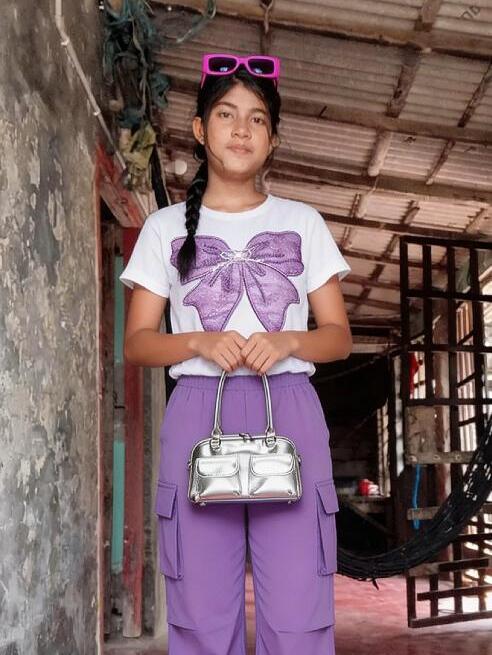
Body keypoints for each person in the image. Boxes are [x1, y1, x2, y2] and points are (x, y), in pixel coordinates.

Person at [120, 52, 353, 655]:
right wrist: (197, 341)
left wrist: (289, 340)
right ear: (201, 129)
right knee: (200, 616)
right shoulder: (165, 228)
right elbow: (137, 342)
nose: (241, 130)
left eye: (257, 119)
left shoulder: (303, 222)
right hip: (199, 411)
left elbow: (338, 336)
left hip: (289, 407)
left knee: (299, 617)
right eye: (226, 114)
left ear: (272, 139)